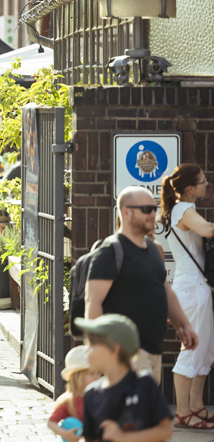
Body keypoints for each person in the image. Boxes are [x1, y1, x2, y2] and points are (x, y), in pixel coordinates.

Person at [86, 186, 199, 385]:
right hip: (126, 354)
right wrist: (99, 350)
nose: (153, 214)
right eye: (146, 209)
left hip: (153, 351)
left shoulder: (155, 250)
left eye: (154, 208)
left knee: (144, 415)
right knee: (130, 415)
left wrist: (184, 325)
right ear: (126, 211)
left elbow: (165, 291)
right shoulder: (111, 251)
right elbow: (93, 301)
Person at [159, 164, 214, 427]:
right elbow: (207, 230)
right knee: (192, 348)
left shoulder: (182, 208)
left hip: (195, 286)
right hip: (191, 288)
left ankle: (195, 405)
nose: (207, 184)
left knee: (203, 348)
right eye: (203, 181)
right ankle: (182, 412)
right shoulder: (183, 209)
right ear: (190, 188)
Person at [76, 314, 173, 442]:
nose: (86, 350)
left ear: (114, 350)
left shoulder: (145, 384)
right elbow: (89, 438)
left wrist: (124, 438)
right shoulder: (91, 394)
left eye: (92, 344)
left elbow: (166, 431)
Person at [47, 346, 101, 441]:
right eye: (92, 373)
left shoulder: (101, 395)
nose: (98, 377)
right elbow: (51, 422)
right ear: (78, 377)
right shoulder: (69, 401)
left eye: (99, 373)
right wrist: (66, 434)